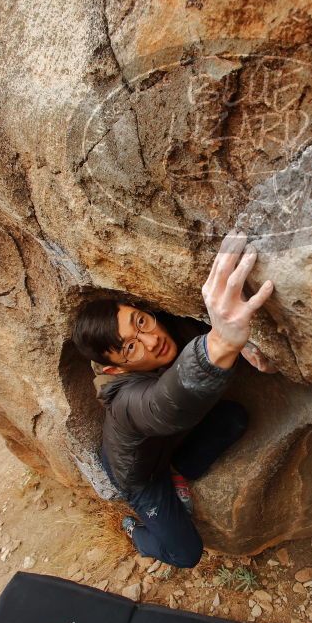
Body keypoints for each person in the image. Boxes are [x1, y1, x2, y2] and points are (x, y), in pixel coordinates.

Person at [72, 230, 277, 568]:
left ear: (141, 309)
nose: (151, 341)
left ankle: (178, 470)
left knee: (233, 418)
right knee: (186, 554)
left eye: (141, 322)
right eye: (130, 348)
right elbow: (160, 404)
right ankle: (136, 534)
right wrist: (222, 343)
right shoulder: (124, 400)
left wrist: (249, 347)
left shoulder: (165, 330)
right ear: (116, 368)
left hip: (163, 444)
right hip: (140, 475)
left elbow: (194, 342)